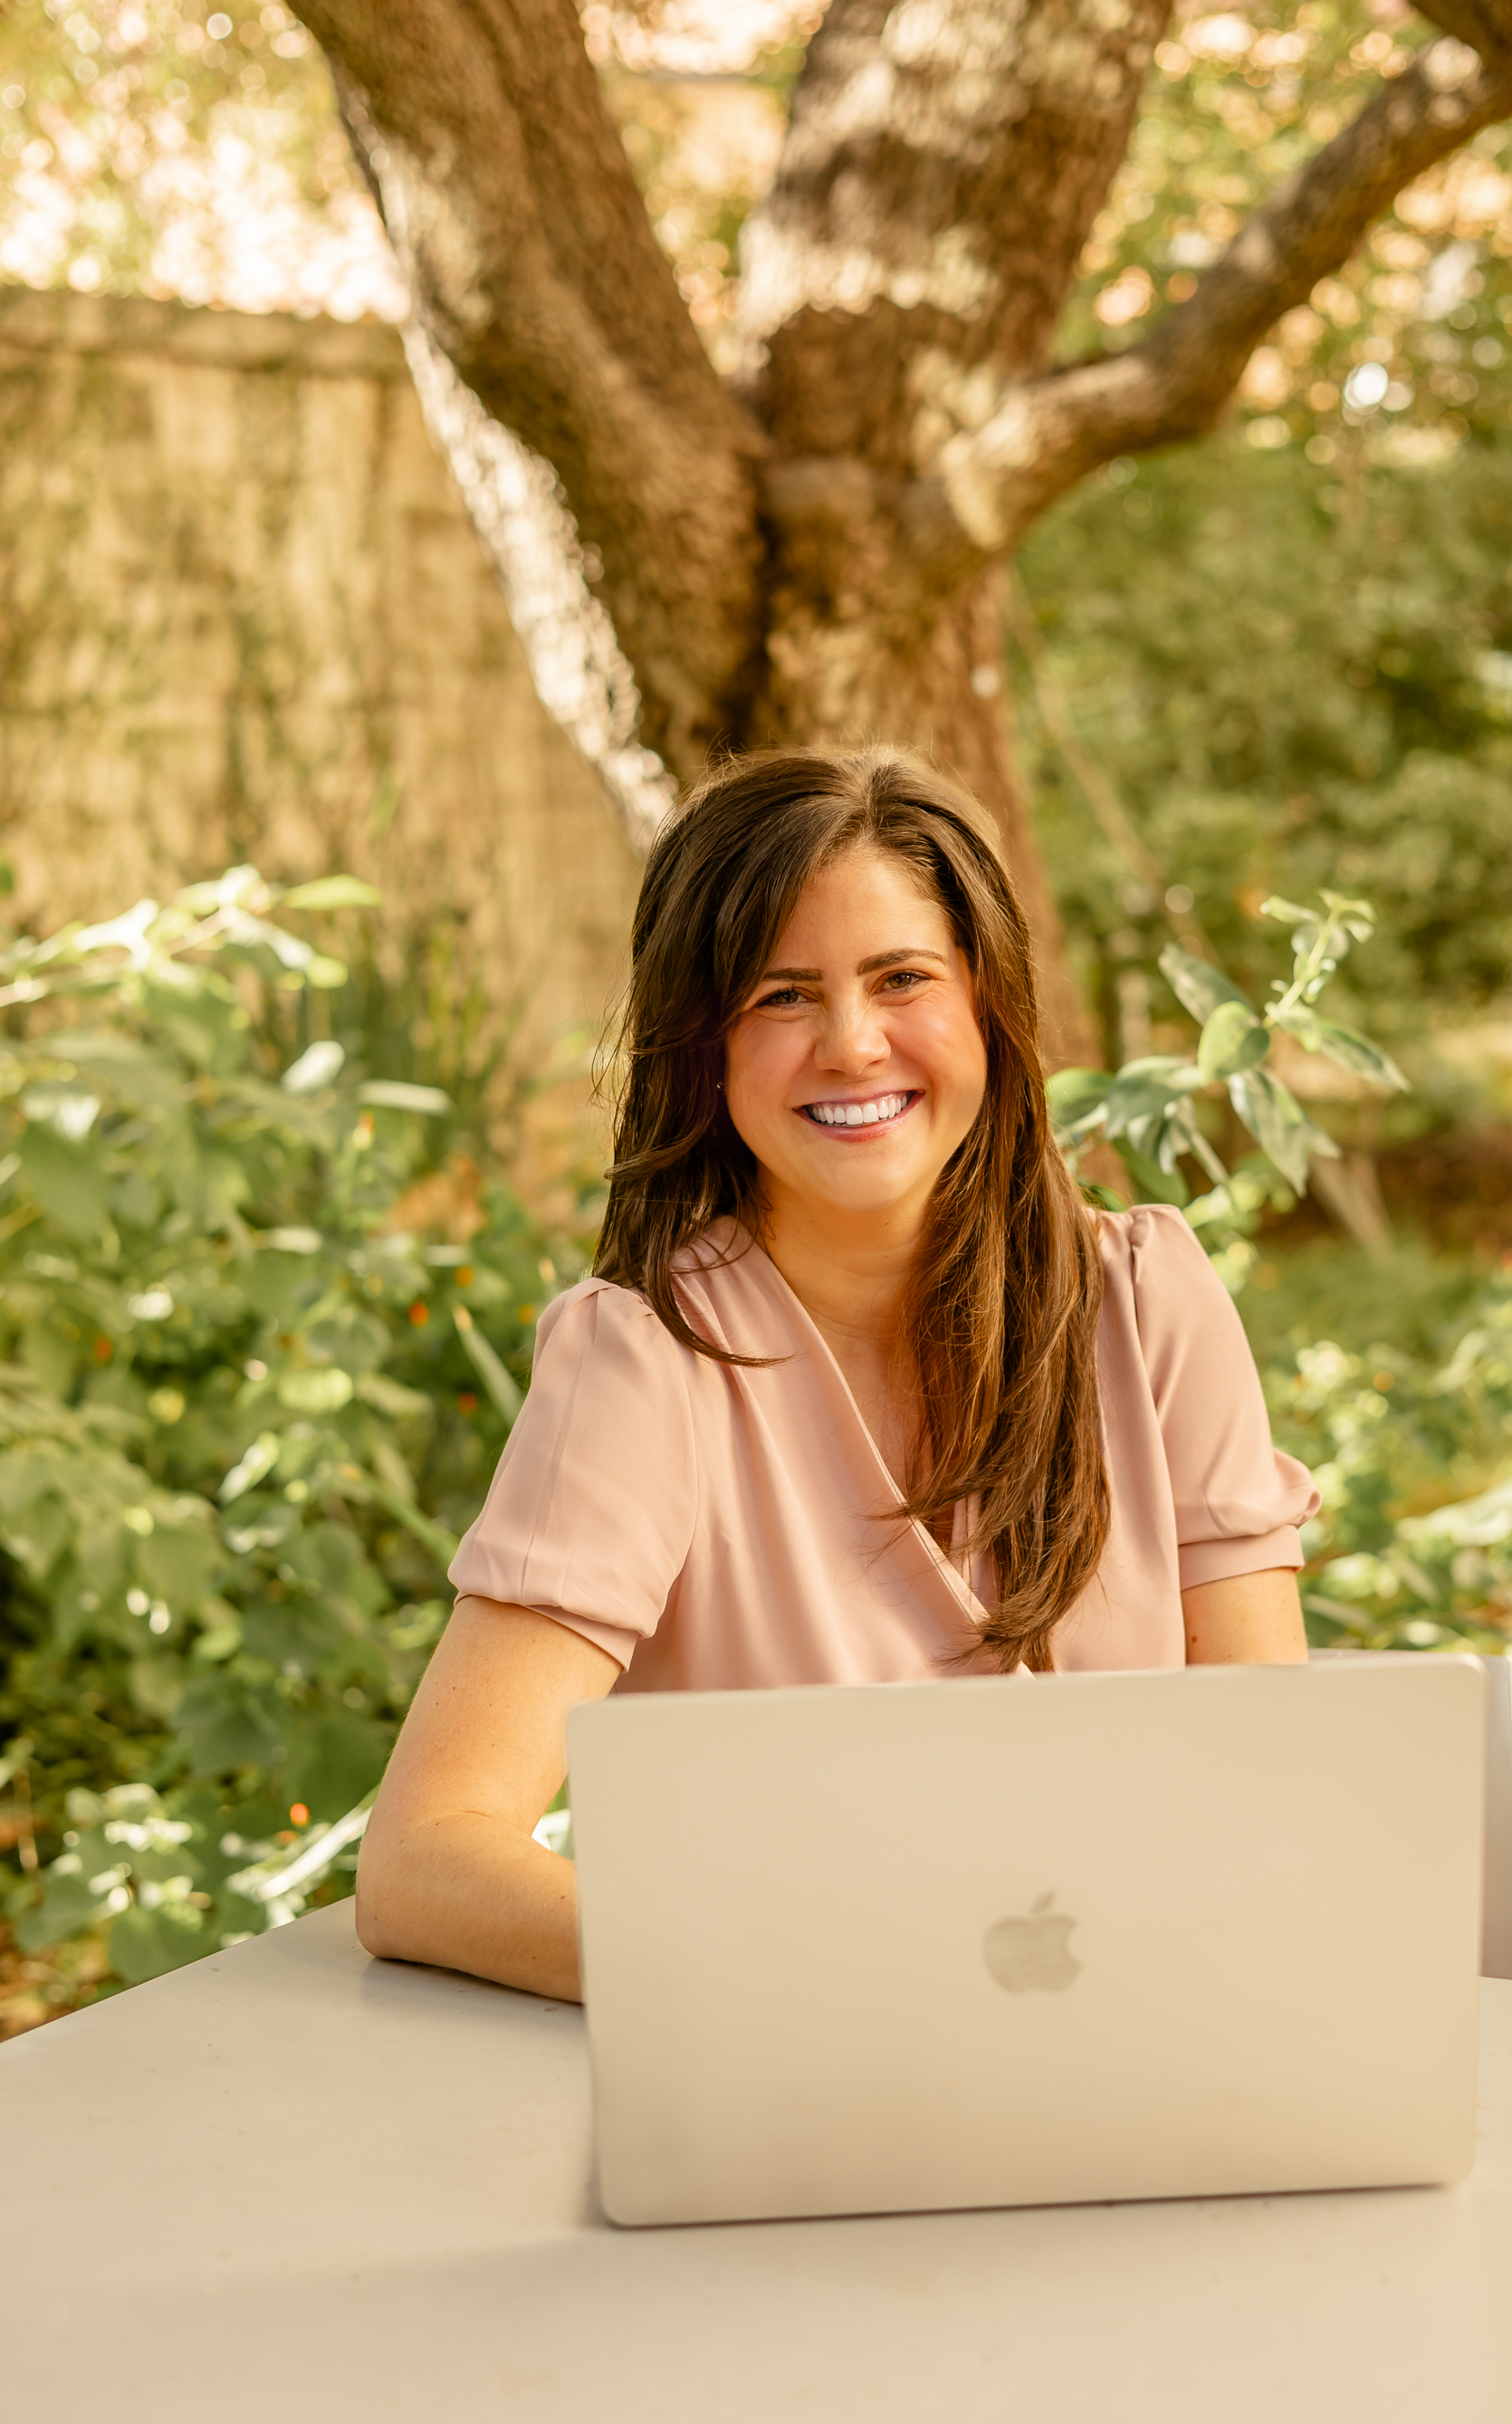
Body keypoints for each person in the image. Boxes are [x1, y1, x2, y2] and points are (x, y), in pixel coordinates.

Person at [356, 747, 1318, 2000]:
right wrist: (798, 1980)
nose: (853, 1044)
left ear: (988, 1003)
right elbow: (426, 1857)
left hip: (1156, 2045)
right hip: (794, 2087)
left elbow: (1276, 1789)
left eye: (902, 978)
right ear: (701, 1045)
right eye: (781, 996)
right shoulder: (645, 1362)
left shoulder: (1146, 1303)